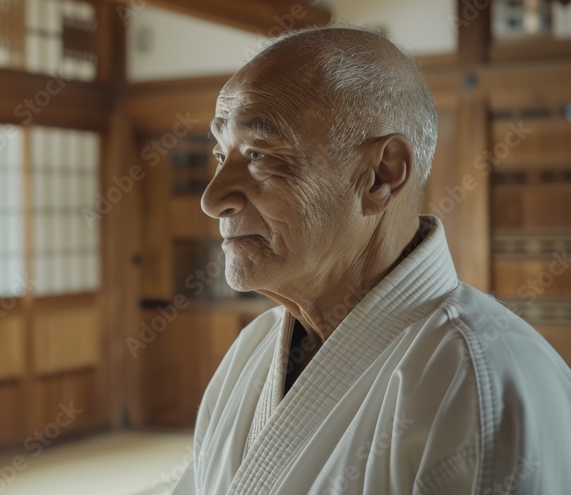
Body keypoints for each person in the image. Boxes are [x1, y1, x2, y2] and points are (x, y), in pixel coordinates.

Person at [172, 25, 571, 494]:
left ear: (381, 175)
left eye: (259, 153)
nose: (213, 198)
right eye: (222, 155)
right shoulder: (251, 352)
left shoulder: (474, 384)